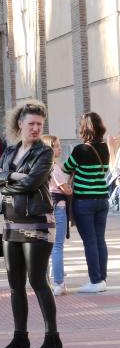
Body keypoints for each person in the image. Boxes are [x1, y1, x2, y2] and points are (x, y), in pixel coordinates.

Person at [0, 100, 60, 348]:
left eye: (40, 124)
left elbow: (32, 183)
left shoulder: (44, 152)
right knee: (15, 285)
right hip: (10, 223)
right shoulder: (9, 151)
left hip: (36, 222)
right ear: (20, 123)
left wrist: (6, 180)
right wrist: (12, 177)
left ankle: (53, 339)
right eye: (31, 123)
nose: (36, 128)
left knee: (38, 281)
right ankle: (20, 339)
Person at [62, 112, 111, 293]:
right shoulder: (104, 148)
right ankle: (102, 279)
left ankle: (95, 280)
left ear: (84, 128)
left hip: (84, 201)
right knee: (100, 240)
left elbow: (67, 168)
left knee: (89, 241)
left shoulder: (80, 149)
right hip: (102, 200)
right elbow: (105, 169)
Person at [42, 135, 70, 296]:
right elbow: (65, 189)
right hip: (57, 208)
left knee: (47, 246)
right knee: (57, 246)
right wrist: (71, 189)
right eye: (57, 146)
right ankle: (59, 283)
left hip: (45, 207)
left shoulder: (42, 166)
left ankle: (47, 278)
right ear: (50, 148)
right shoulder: (54, 167)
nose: (59, 148)